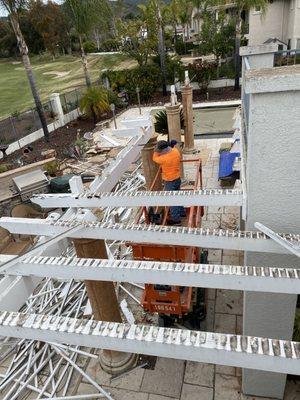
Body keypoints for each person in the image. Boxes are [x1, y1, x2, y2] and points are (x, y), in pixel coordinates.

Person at [153, 140, 185, 225]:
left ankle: (176, 220)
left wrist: (155, 150)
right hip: (177, 178)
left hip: (169, 181)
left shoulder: (163, 159)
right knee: (178, 196)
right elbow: (171, 148)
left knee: (172, 200)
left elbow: (154, 158)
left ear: (163, 150)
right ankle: (182, 212)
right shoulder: (175, 151)